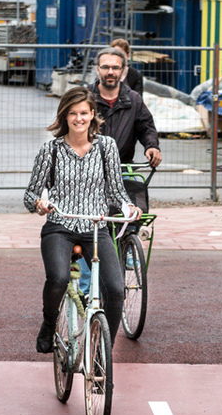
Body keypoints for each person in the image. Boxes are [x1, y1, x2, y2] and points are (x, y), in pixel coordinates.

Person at [23, 86, 139, 353]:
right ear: (64, 116)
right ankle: (49, 324)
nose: (79, 119)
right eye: (73, 113)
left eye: (84, 113)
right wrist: (40, 203)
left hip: (95, 228)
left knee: (115, 289)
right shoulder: (50, 150)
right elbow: (30, 194)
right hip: (59, 227)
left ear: (92, 114)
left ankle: (101, 349)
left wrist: (127, 207)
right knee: (59, 278)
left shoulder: (106, 147)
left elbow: (116, 191)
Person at [89, 47, 160, 214]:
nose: (110, 72)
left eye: (115, 68)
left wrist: (152, 146)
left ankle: (128, 238)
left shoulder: (133, 99)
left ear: (123, 71)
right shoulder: (85, 98)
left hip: (122, 167)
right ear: (97, 69)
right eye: (105, 67)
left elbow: (146, 126)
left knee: (136, 207)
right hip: (89, 168)